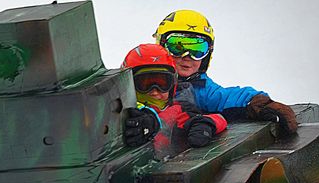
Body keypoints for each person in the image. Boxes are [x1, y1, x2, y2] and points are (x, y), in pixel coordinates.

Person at [153, 9, 297, 134]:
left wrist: (258, 102)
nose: (187, 56)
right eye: (177, 47)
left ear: (207, 54)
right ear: (161, 47)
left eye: (197, 50)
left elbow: (224, 97)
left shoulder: (199, 88)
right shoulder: (145, 80)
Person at [122, 44, 227, 151]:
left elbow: (219, 119)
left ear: (172, 85)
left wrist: (207, 124)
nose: (154, 91)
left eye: (162, 83)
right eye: (145, 83)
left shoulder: (179, 111)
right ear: (129, 84)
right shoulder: (122, 111)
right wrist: (146, 118)